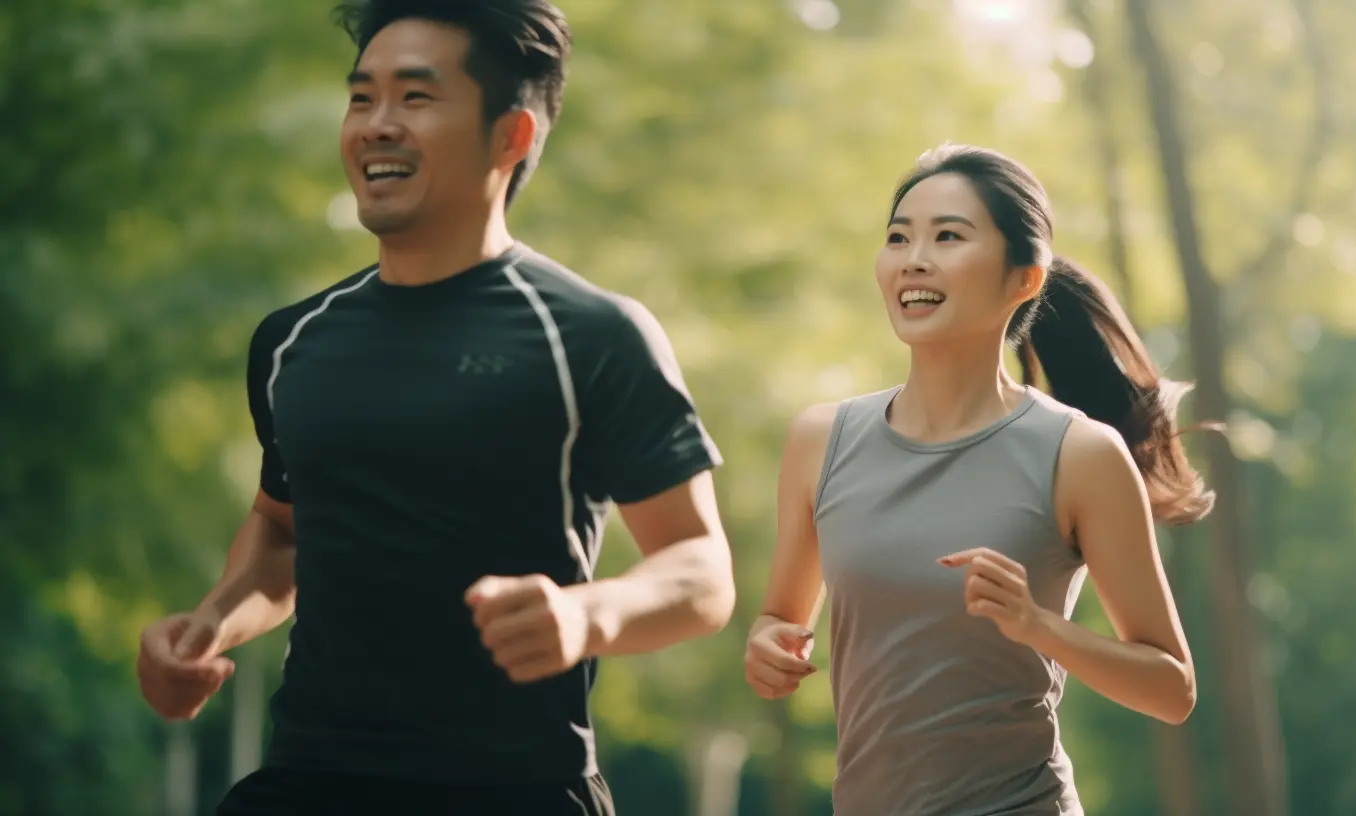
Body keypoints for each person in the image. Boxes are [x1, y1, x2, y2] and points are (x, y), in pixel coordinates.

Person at [135, 1, 736, 813]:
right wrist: (207, 626)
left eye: (415, 98)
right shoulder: (292, 342)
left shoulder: (591, 335)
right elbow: (284, 533)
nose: (377, 124)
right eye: (361, 97)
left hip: (517, 789)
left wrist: (586, 613)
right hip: (309, 782)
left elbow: (702, 571)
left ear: (510, 137)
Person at [744, 144, 1210, 815]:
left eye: (948, 237)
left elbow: (1172, 689)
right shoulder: (821, 440)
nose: (914, 258)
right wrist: (766, 647)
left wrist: (1037, 625)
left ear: (1024, 278)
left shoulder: (1079, 454)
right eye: (898, 237)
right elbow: (780, 618)